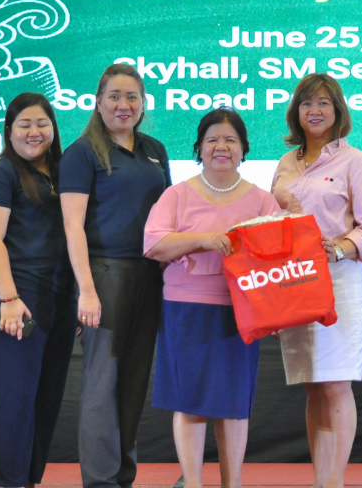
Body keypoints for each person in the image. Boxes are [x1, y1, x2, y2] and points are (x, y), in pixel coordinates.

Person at [143, 108, 280, 488]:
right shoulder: (177, 194)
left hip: (241, 313)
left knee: (234, 405)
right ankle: (193, 482)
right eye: (213, 139)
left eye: (230, 140)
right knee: (189, 401)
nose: (222, 146)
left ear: (244, 149)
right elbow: (154, 244)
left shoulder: (263, 201)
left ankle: (231, 483)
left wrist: (273, 313)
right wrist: (203, 240)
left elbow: (278, 262)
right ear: (199, 148)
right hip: (186, 308)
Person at [59, 63, 172, 488]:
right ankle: (100, 481)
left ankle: (123, 477)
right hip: (104, 274)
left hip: (150, 276)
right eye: (114, 96)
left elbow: (167, 219)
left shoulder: (155, 149)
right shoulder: (82, 152)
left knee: (134, 381)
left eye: (132, 97)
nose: (123, 105)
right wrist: (86, 290)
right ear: (98, 102)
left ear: (143, 104)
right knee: (102, 384)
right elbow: (72, 225)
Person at [271, 73, 362, 488]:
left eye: (323, 103)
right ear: (295, 112)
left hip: (339, 282)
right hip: (292, 282)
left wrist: (336, 248)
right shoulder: (286, 163)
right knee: (313, 386)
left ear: (338, 110)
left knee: (335, 384)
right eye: (306, 103)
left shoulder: (356, 161)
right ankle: (321, 480)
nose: (314, 111)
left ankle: (333, 482)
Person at [0, 93, 75, 488]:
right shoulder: (2, 173)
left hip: (58, 301)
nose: (35, 132)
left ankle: (28, 480)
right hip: (15, 301)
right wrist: (9, 299)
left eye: (42, 123)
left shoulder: (63, 171)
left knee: (46, 400)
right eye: (24, 124)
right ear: (9, 131)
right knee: (13, 400)